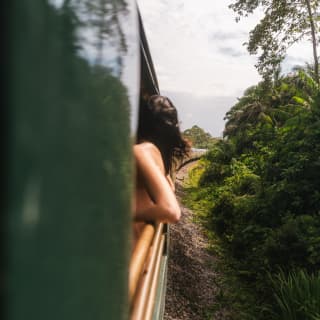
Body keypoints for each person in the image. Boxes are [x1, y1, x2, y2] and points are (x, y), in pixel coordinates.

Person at [133, 95, 190, 233]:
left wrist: (118, 213)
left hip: (132, 246)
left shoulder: (142, 151)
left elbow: (171, 210)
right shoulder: (158, 154)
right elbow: (170, 188)